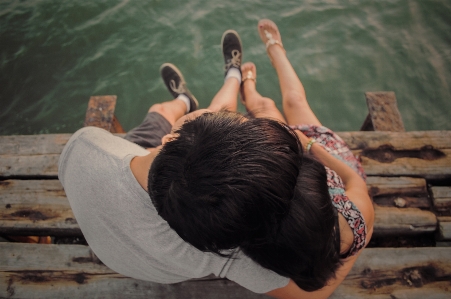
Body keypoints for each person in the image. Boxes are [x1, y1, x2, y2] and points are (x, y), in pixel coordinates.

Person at [58, 30, 304, 295]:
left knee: (160, 111)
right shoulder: (221, 244)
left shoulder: (86, 145)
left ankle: (185, 100)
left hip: (118, 238)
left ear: (166, 141)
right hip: (157, 263)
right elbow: (310, 295)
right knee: (196, 115)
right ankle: (229, 77)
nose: (218, 113)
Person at [232, 19, 375, 298]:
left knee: (265, 108)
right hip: (327, 157)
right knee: (295, 101)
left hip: (285, 161)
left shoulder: (274, 269)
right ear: (329, 208)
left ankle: (247, 88)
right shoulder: (356, 217)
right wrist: (311, 148)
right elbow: (352, 178)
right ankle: (276, 51)